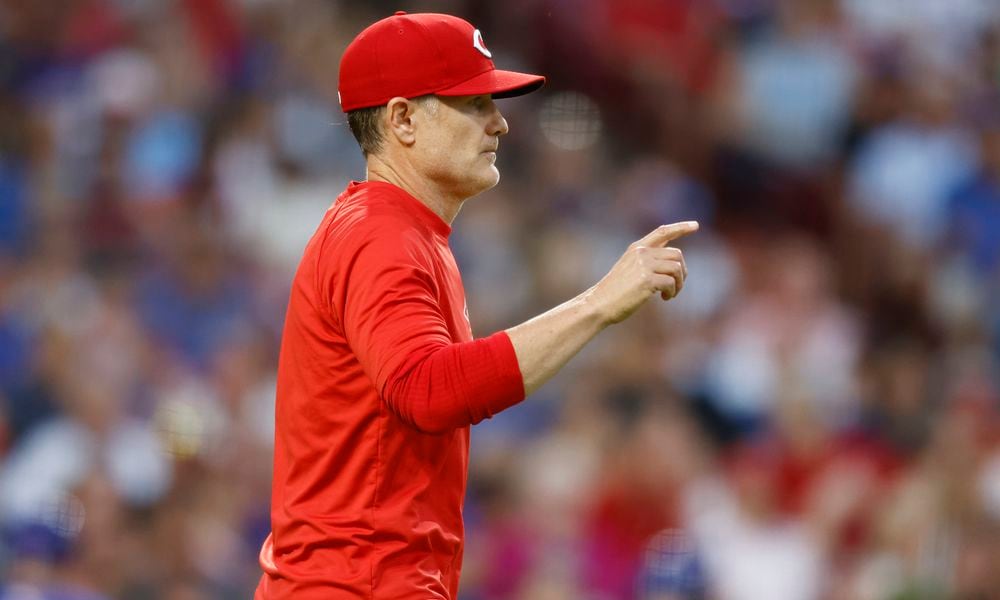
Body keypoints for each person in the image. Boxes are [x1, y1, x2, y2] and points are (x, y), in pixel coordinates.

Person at [255, 11, 698, 599]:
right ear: (402, 119)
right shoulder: (379, 234)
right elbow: (429, 391)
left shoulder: (401, 232)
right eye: (473, 104)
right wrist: (598, 302)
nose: (500, 124)